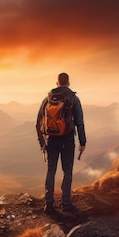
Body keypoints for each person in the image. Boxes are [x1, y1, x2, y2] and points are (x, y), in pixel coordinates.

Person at [36, 72, 86, 213]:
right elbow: (79, 123)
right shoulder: (73, 99)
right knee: (67, 171)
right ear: (68, 83)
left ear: (57, 83)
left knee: (50, 171)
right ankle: (66, 203)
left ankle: (49, 204)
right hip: (67, 140)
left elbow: (38, 122)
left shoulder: (48, 99)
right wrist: (83, 141)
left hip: (51, 140)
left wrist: (42, 143)